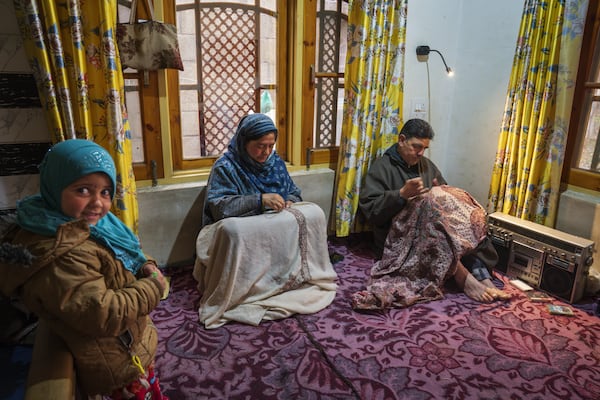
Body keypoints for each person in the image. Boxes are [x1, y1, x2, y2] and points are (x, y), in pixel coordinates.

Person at [0, 139, 169, 399]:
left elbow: (122, 254)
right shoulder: (60, 252)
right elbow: (102, 314)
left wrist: (145, 265)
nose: (98, 203)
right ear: (55, 188)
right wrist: (153, 286)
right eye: (82, 190)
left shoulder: (88, 226)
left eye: (104, 192)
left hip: (125, 348)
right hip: (113, 360)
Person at [194, 113, 337, 328]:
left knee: (314, 212)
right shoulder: (226, 166)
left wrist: (288, 201)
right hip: (244, 230)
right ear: (244, 142)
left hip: (272, 229)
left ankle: (286, 277)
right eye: (260, 146)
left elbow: (295, 194)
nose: (267, 152)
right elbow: (220, 209)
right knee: (232, 230)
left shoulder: (275, 163)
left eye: (271, 145)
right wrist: (260, 200)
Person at [357, 118, 510, 305]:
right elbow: (371, 213)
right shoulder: (382, 168)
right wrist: (401, 195)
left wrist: (442, 194)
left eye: (424, 149)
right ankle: (467, 280)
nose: (420, 153)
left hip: (435, 228)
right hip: (399, 238)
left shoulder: (426, 165)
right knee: (435, 224)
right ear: (401, 140)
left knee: (466, 217)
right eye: (416, 147)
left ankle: (483, 277)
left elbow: (444, 197)